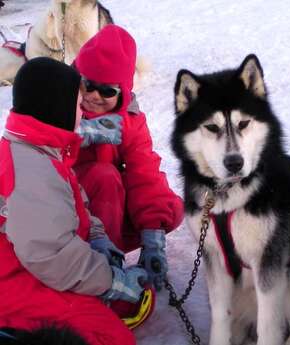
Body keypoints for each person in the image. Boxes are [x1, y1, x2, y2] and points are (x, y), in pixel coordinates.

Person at [0, 57, 148, 345]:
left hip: (31, 266)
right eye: (78, 105)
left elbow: (76, 203)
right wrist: (111, 281)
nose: (83, 111)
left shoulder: (40, 150)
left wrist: (98, 240)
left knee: (126, 305)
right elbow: (50, 256)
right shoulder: (31, 171)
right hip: (12, 281)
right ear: (56, 108)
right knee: (110, 337)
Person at [72, 24, 184, 292]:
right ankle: (102, 269)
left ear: (122, 92)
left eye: (107, 91)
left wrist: (152, 236)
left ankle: (114, 251)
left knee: (169, 208)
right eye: (88, 85)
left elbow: (143, 172)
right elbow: (31, 139)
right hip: (63, 207)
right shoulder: (57, 102)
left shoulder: (130, 121)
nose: (94, 96)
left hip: (102, 210)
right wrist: (77, 133)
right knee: (104, 175)